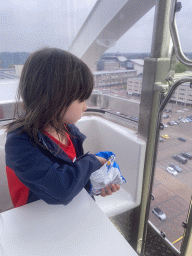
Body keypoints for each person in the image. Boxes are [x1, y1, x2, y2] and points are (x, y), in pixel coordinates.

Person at [5, 48, 120, 208]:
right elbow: (60, 188)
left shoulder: (69, 131)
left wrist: (96, 185)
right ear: (52, 98)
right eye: (81, 99)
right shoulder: (19, 142)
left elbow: (72, 172)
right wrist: (93, 161)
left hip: (66, 213)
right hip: (34, 218)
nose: (85, 107)